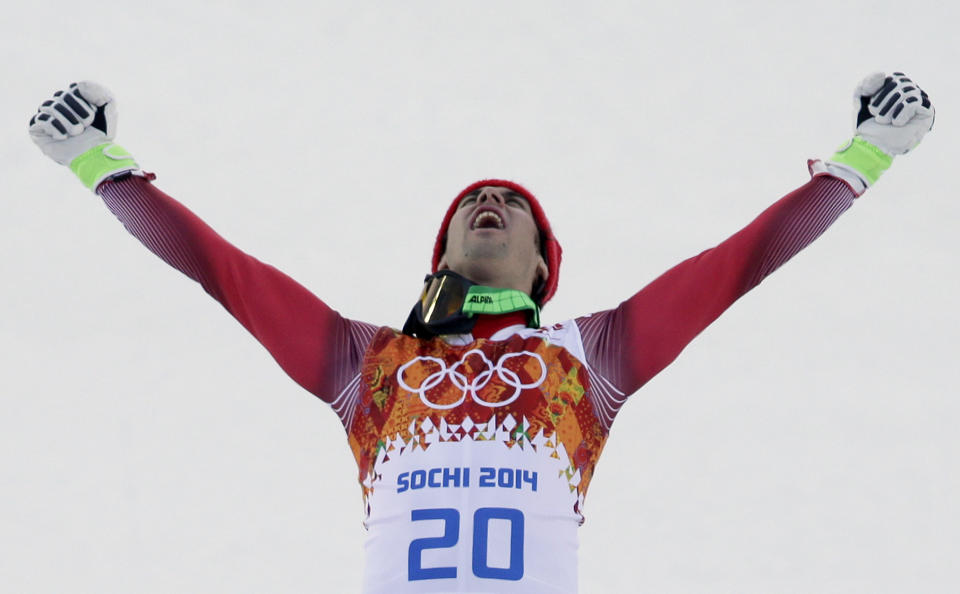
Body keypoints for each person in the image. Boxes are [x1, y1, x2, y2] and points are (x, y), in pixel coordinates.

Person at [28, 72, 934, 594]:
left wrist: (865, 156)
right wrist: (99, 163)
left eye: (511, 206)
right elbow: (225, 273)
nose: (489, 202)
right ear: (441, 257)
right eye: (471, 204)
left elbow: (737, 265)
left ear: (545, 267)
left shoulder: (592, 357)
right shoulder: (364, 364)